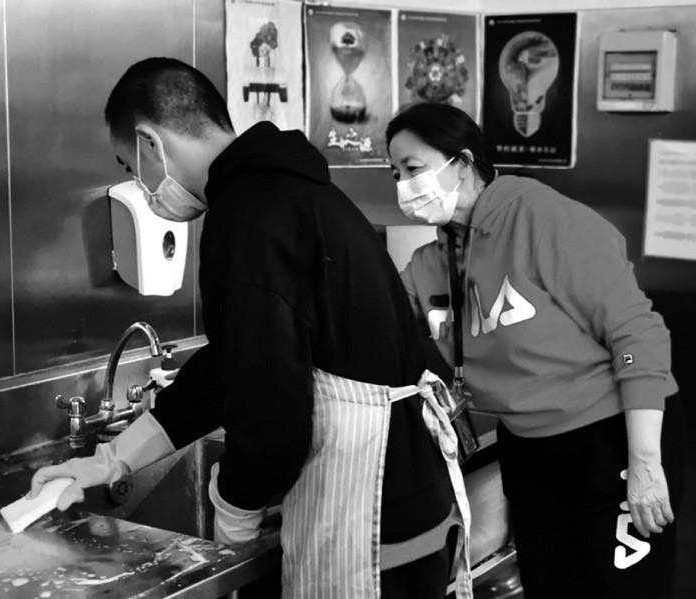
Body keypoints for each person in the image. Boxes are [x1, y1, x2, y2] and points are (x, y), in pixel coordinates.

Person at [29, 58, 474, 599]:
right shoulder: (288, 193)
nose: (142, 186)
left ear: (149, 142)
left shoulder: (250, 216)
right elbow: (231, 363)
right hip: (409, 508)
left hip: (371, 530)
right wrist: (110, 460)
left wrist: (234, 507)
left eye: (130, 167)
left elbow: (270, 411)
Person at [385, 102, 684, 599]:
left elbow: (638, 335)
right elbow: (377, 319)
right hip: (528, 449)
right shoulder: (433, 261)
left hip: (610, 437)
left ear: (462, 163)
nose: (403, 185)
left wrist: (645, 464)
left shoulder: (542, 219)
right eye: (395, 172)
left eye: (413, 167)